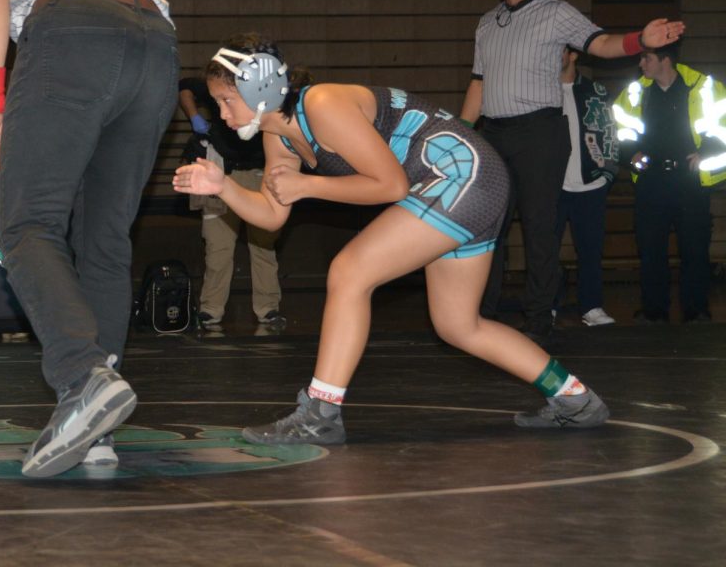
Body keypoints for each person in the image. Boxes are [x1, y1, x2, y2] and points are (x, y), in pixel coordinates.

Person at [174, 35, 610, 446]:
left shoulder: (322, 104)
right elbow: (271, 216)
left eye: (227, 100)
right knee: (458, 325)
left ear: (260, 88)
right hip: (467, 181)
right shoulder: (280, 138)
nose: (222, 114)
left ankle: (320, 415)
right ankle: (574, 398)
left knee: (350, 270)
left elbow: (390, 186)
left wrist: (310, 187)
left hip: (459, 173)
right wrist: (224, 188)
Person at [0, 0, 179, 478]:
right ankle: (97, 416)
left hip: (74, 36)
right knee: (106, 238)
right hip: (158, 48)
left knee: (29, 223)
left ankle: (82, 379)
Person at [459, 0, 685, 341]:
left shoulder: (556, 12)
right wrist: (461, 133)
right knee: (487, 226)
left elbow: (600, 43)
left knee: (539, 226)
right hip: (493, 132)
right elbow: (479, 82)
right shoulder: (486, 22)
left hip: (539, 131)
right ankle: (482, 315)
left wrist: (640, 41)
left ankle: (539, 318)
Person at [613, 41, 726, 324]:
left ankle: (696, 310)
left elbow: (722, 125)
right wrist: (632, 156)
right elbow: (620, 130)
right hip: (652, 181)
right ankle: (654, 311)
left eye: (646, 58)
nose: (641, 64)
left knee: (695, 249)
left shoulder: (703, 87)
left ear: (665, 60)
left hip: (690, 181)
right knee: (650, 248)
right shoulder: (636, 92)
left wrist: (707, 153)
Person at [178, 77, 284, 330]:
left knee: (264, 245)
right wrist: (194, 116)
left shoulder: (264, 89)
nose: (226, 113)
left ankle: (268, 308)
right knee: (217, 246)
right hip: (221, 173)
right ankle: (210, 309)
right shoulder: (221, 84)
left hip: (261, 174)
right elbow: (185, 87)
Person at [555, 47, 619, 326]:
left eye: (557, 51)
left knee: (591, 250)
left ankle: (591, 306)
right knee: (545, 250)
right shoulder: (538, 93)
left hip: (591, 185)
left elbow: (611, 134)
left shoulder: (596, 91)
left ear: (573, 55)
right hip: (551, 186)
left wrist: (607, 175)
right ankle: (547, 308)